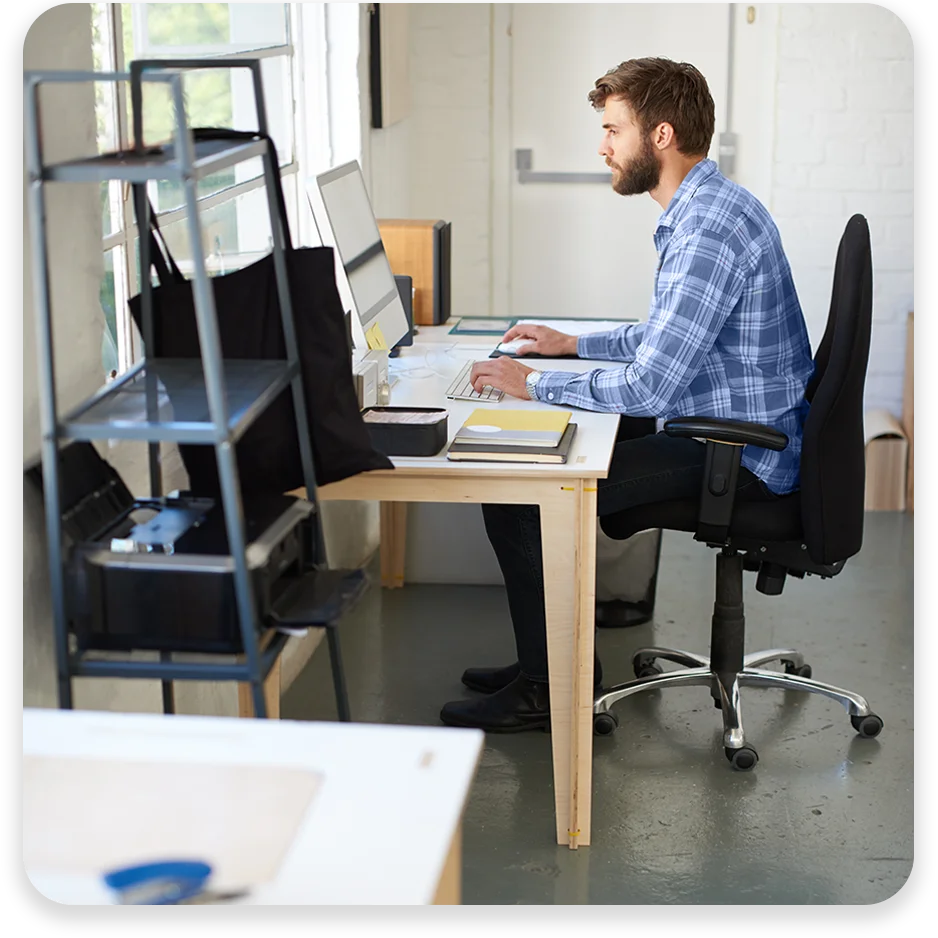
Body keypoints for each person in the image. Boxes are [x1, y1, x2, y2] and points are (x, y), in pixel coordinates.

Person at [439, 56, 815, 733]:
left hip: (738, 451)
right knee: (538, 469)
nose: (603, 145)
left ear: (661, 136)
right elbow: (666, 338)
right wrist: (572, 344)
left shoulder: (707, 230)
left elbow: (651, 385)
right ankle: (552, 661)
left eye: (614, 129)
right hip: (718, 422)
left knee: (522, 496)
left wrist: (531, 383)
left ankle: (550, 687)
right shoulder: (708, 206)